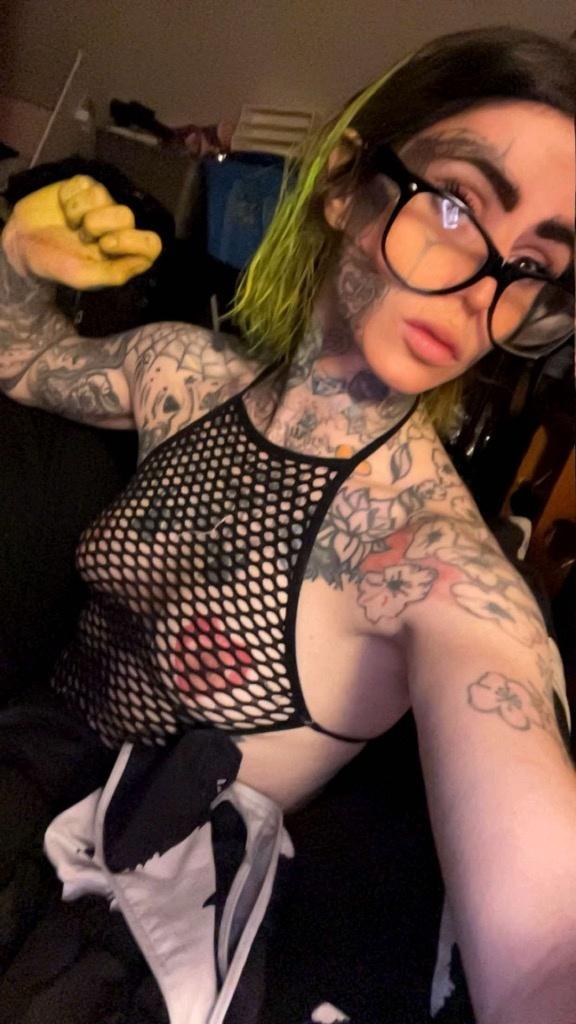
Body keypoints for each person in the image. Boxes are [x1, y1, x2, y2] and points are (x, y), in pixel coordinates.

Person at [0, 24, 575, 1024]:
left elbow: (545, 943)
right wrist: (15, 259)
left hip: (115, 915)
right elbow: (22, 358)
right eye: (455, 204)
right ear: (347, 182)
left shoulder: (437, 565)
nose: (482, 290)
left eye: (531, 264)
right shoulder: (182, 372)